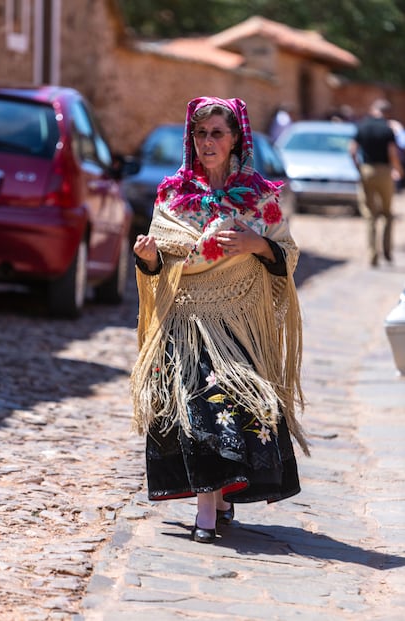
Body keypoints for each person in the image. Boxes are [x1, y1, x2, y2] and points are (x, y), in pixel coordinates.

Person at [131, 97, 309, 544]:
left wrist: (256, 245)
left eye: (217, 133)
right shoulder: (172, 194)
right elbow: (160, 264)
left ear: (236, 140)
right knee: (196, 413)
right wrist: (149, 260)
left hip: (238, 324)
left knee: (228, 412)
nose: (207, 142)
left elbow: (286, 255)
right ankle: (207, 508)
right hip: (185, 323)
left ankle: (219, 498)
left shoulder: (259, 198)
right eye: (200, 133)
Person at [350, 98, 403, 267]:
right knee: (387, 213)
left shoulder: (362, 126)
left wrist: (358, 169)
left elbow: (352, 150)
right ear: (386, 112)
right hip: (385, 171)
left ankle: (372, 253)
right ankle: (387, 252)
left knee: (369, 214)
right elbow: (392, 153)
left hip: (367, 170)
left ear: (373, 110)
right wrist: (398, 170)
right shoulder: (387, 129)